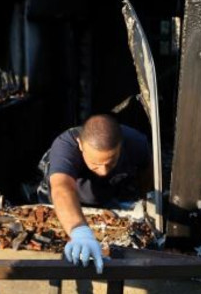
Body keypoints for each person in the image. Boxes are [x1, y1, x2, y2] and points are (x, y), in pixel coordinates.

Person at [36, 114, 150, 273]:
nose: (103, 171)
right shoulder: (65, 146)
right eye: (95, 164)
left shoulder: (136, 142)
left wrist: (146, 201)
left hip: (109, 193)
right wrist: (79, 231)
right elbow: (62, 188)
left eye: (110, 162)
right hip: (66, 201)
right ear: (80, 145)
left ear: (121, 145)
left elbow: (147, 174)